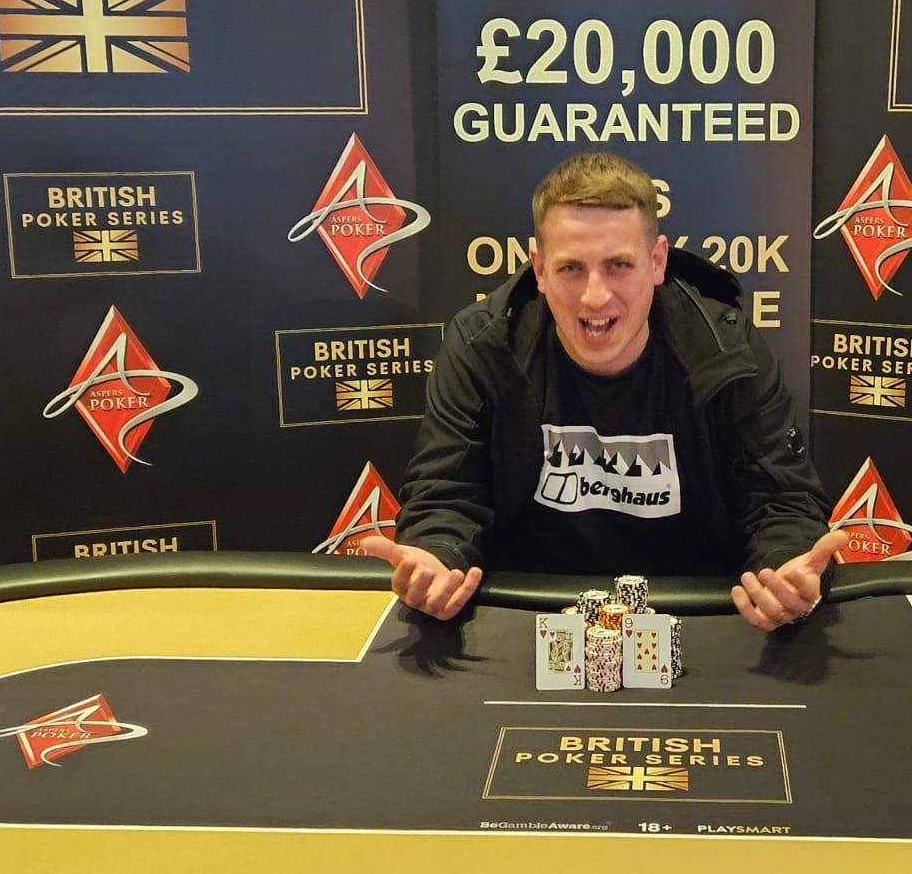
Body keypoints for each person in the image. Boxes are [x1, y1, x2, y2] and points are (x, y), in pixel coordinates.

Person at [360, 153, 846, 631]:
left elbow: (782, 502)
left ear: (657, 262)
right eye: (571, 268)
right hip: (522, 617)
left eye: (618, 265)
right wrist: (438, 557)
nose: (595, 296)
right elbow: (446, 496)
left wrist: (784, 567)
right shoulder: (482, 346)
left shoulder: (726, 347)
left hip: (700, 614)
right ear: (540, 269)